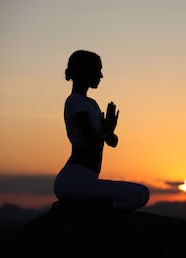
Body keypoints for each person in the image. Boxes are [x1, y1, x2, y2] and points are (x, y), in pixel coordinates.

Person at [53, 49, 150, 210]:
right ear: (83, 71)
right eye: (97, 70)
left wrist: (110, 131)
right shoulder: (74, 101)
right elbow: (91, 138)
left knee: (143, 192)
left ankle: (81, 208)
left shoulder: (92, 104)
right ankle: (83, 210)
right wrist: (106, 131)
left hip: (86, 180)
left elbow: (111, 141)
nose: (101, 75)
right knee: (137, 196)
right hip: (73, 180)